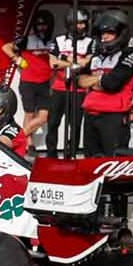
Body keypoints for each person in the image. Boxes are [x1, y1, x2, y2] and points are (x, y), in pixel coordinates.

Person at [75, 11, 133, 156]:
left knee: (113, 161)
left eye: (109, 32)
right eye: (102, 33)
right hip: (91, 115)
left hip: (114, 118)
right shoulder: (96, 58)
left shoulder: (128, 56)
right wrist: (100, 80)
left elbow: (112, 83)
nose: (104, 37)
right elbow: (79, 81)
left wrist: (93, 81)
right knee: (90, 162)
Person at [2, 10, 57, 146]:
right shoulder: (26, 39)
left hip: (45, 82)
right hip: (28, 82)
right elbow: (6, 47)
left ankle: (18, 137)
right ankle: (27, 144)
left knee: (44, 116)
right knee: (30, 114)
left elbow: (56, 60)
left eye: (44, 25)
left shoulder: (52, 42)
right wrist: (17, 59)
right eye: (39, 25)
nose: (41, 28)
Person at [47, 10, 94, 157]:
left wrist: (64, 59)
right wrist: (73, 62)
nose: (80, 26)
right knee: (53, 123)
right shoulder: (59, 40)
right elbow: (52, 63)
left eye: (83, 23)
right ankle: (51, 154)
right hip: (59, 88)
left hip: (78, 90)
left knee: (75, 125)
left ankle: (71, 153)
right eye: (77, 23)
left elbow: (86, 63)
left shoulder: (90, 42)